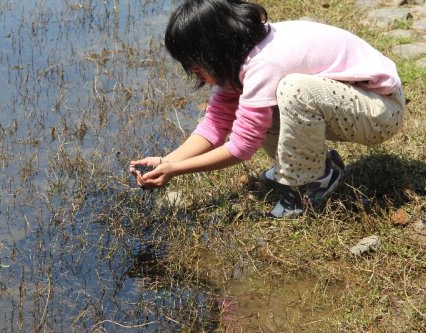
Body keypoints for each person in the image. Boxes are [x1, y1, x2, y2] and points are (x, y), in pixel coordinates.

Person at [130, 0, 406, 218]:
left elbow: (241, 147)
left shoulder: (265, 64)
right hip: (352, 102)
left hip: (381, 111)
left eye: (193, 64)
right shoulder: (241, 56)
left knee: (293, 90)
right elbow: (216, 124)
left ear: (213, 51)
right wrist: (168, 161)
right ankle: (305, 168)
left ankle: (313, 181)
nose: (192, 72)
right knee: (266, 102)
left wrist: (176, 171)